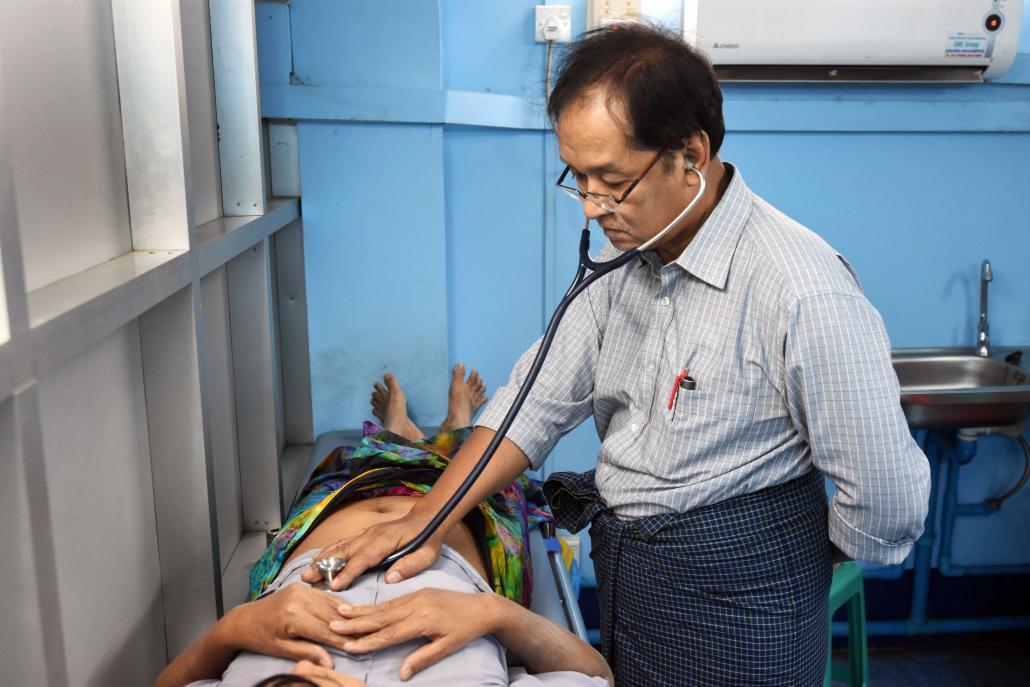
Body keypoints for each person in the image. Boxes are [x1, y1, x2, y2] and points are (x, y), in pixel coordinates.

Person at [304, 23, 931, 686]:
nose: (592, 209)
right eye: (578, 179)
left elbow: (887, 498)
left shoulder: (801, 290)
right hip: (635, 578)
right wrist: (421, 519)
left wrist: (783, 562)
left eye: (612, 181)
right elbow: (529, 406)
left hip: (746, 604)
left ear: (691, 154)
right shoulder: (622, 267)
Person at [156, 366, 612, 687]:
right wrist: (495, 613)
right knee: (476, 478)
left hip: (331, 533)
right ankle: (457, 424)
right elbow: (597, 677)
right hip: (457, 544)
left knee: (367, 464)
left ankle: (397, 429)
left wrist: (231, 628)